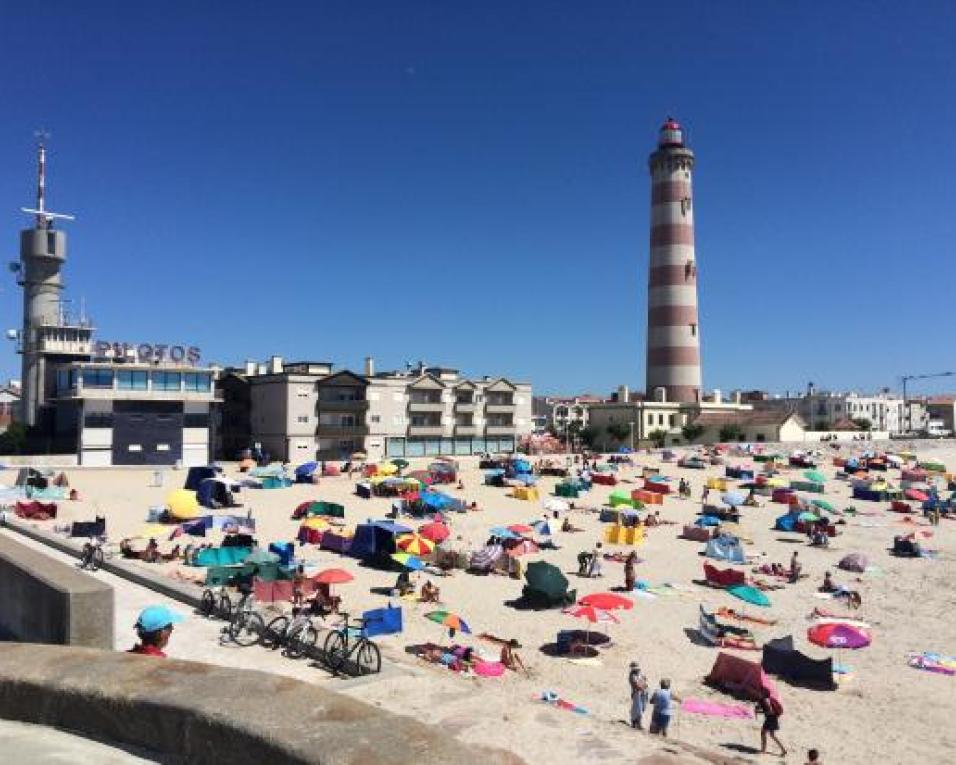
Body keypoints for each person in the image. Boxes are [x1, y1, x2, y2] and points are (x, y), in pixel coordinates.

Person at [755, 687, 786, 756]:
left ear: (763, 694)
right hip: (772, 718)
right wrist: (758, 707)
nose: (758, 693)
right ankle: (783, 750)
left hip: (771, 718)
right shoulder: (764, 700)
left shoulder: (765, 700)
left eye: (760, 692)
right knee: (772, 735)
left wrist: (760, 712)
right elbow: (763, 707)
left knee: (763, 733)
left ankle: (763, 750)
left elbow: (770, 711)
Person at [628, 661, 648, 729]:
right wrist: (643, 686)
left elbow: (644, 680)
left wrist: (645, 686)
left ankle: (637, 723)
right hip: (637, 693)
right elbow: (637, 685)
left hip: (643, 692)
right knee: (637, 709)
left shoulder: (639, 673)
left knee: (642, 708)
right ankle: (636, 723)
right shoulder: (632, 676)